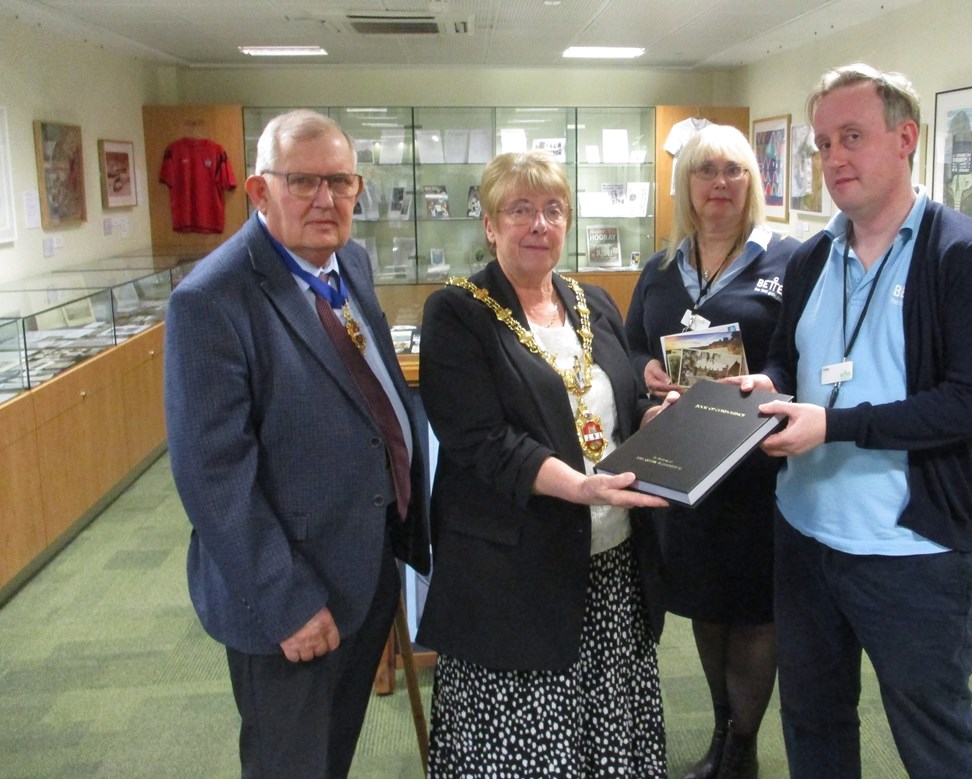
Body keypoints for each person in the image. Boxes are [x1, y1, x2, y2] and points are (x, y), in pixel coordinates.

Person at [739, 63, 972, 777]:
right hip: (804, 537)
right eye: (823, 143)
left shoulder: (964, 257)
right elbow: (787, 362)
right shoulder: (811, 258)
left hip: (911, 555)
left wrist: (834, 425)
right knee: (813, 721)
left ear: (906, 139)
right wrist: (755, 388)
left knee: (935, 737)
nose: (833, 159)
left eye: (852, 137)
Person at [164, 109, 430, 778]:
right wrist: (287, 601)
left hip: (363, 565)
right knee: (290, 763)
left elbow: (370, 397)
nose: (325, 199)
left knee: (332, 749)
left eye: (340, 182)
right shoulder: (212, 299)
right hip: (288, 595)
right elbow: (214, 476)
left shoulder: (352, 264)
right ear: (259, 190)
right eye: (303, 181)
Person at [416, 151, 671, 777]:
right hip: (513, 567)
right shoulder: (456, 312)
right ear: (490, 224)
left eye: (552, 210)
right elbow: (483, 441)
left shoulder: (593, 301)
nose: (538, 224)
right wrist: (580, 486)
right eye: (520, 209)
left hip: (608, 560)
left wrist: (653, 420)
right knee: (526, 739)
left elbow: (622, 400)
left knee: (607, 722)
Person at [625, 124, 798, 779]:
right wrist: (647, 374)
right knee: (706, 601)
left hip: (757, 468)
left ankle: (743, 748)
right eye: (706, 171)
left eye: (733, 170)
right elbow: (633, 346)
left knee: (754, 605)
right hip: (688, 469)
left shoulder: (785, 260)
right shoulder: (662, 269)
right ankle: (723, 730)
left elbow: (797, 355)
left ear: (752, 181)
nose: (720, 183)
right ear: (685, 186)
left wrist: (768, 379)